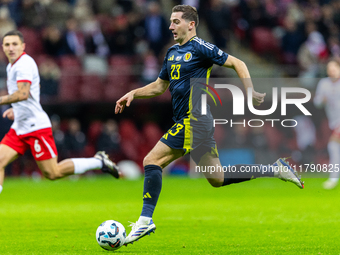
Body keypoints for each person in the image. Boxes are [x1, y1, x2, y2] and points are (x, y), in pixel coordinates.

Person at [115, 5, 304, 245]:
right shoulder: (172, 52)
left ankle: (144, 220)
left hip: (194, 120)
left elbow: (238, 63)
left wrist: (250, 90)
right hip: (193, 122)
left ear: (190, 24)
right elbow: (159, 86)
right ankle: (275, 169)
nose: (171, 26)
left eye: (176, 22)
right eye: (171, 22)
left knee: (151, 161)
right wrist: (133, 93)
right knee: (217, 178)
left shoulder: (201, 47)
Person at [0, 30, 120, 195]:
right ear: (3, 47)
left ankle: (98, 162)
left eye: (15, 44)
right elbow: (35, 88)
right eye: (7, 44)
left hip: (35, 127)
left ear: (23, 46)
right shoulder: (11, 65)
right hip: (20, 125)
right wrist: (18, 108)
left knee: (53, 172)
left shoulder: (23, 65)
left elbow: (23, 93)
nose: (11, 48)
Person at [314, 60, 340, 189]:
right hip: (333, 120)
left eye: (334, 68)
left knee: (333, 145)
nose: (331, 71)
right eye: (329, 69)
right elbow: (317, 102)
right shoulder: (323, 83)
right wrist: (321, 100)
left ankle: (333, 178)